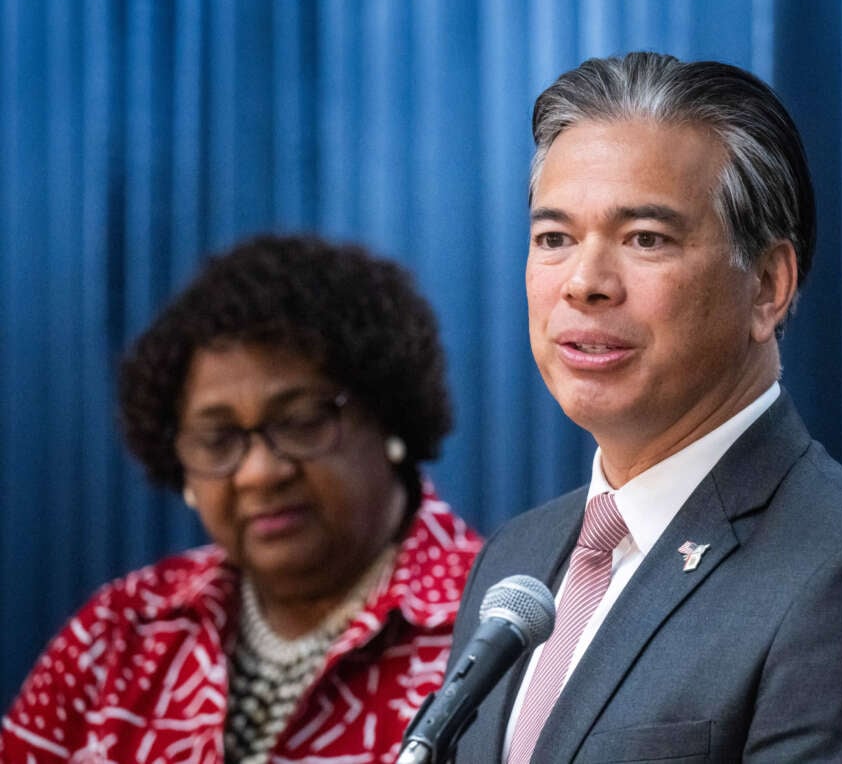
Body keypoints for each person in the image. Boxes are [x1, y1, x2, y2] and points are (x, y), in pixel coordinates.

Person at [448, 52, 842, 762]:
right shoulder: (514, 562)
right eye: (555, 239)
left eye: (646, 239)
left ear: (767, 286)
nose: (584, 282)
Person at [0, 234, 482, 762]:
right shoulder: (114, 637)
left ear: (388, 415)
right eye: (218, 440)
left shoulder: (495, 635)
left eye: (301, 423)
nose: (259, 473)